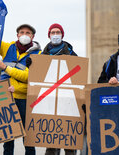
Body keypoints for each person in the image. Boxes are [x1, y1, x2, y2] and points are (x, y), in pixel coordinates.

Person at [0, 24, 42, 155]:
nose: (24, 35)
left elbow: (29, 77)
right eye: (21, 32)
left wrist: (6, 68)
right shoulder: (8, 47)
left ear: (33, 36)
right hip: (6, 99)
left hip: (24, 101)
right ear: (17, 35)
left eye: (28, 33)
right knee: (8, 138)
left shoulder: (38, 54)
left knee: (28, 138)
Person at [43, 23, 77, 155]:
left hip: (67, 101)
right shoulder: (43, 55)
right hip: (49, 101)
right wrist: (32, 65)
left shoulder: (72, 54)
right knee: (51, 139)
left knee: (68, 140)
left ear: (62, 35)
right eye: (53, 32)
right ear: (49, 35)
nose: (55, 35)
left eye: (58, 32)